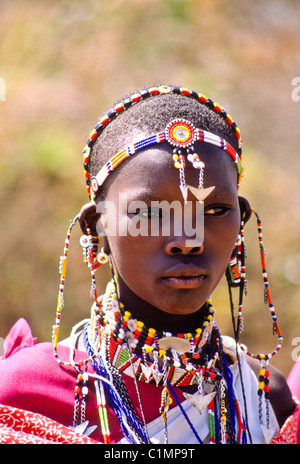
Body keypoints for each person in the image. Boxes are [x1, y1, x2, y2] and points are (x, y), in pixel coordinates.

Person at [0, 85, 297, 444]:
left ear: (242, 222)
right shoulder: (25, 393)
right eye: (151, 213)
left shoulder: (265, 402)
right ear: (98, 228)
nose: (189, 240)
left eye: (215, 211)